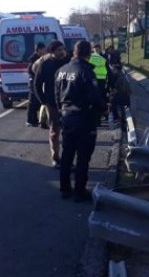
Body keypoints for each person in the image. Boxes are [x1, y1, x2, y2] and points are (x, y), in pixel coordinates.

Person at [55, 40, 105, 202]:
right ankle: (79, 191)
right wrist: (104, 108)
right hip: (84, 118)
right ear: (88, 54)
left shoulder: (61, 70)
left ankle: (65, 189)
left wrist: (62, 112)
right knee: (83, 157)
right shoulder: (85, 71)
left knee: (67, 154)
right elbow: (94, 97)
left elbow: (57, 96)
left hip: (67, 117)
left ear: (74, 52)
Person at [34, 41, 68, 168]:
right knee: (55, 130)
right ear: (52, 52)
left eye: (62, 49)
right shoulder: (45, 64)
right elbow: (37, 84)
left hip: (67, 102)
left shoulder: (67, 62)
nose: (62, 52)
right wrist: (43, 101)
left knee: (69, 131)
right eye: (59, 50)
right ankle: (56, 158)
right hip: (52, 102)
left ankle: (67, 158)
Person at [26, 43, 47, 127]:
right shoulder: (33, 59)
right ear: (39, 50)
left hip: (36, 81)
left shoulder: (38, 58)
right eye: (44, 49)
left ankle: (34, 120)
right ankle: (30, 120)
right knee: (33, 102)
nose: (45, 51)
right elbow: (30, 70)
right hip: (33, 82)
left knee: (35, 102)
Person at [90, 44, 109, 123]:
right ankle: (101, 116)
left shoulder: (102, 58)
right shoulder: (98, 58)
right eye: (96, 49)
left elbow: (108, 70)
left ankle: (103, 115)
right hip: (96, 80)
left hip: (100, 81)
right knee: (99, 99)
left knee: (100, 99)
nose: (97, 51)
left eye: (98, 49)